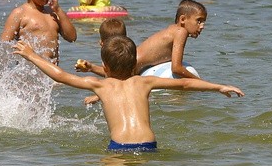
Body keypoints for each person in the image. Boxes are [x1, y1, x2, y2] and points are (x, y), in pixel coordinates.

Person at [13, 35, 244, 151]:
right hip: (149, 145)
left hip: (120, 147)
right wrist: (219, 86)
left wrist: (31, 55)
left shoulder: (100, 85)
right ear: (135, 63)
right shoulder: (143, 82)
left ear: (105, 68)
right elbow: (185, 84)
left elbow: (61, 76)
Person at [0, 0, 77, 62]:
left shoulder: (53, 13)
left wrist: (58, 10)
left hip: (50, 74)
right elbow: (3, 48)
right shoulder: (19, 13)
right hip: (28, 72)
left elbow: (72, 37)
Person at [135, 0, 206, 79]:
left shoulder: (173, 30)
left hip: (129, 64)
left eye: (204, 22)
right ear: (182, 19)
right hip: (129, 67)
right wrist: (200, 82)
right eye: (199, 21)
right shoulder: (181, 32)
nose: (202, 26)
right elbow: (176, 69)